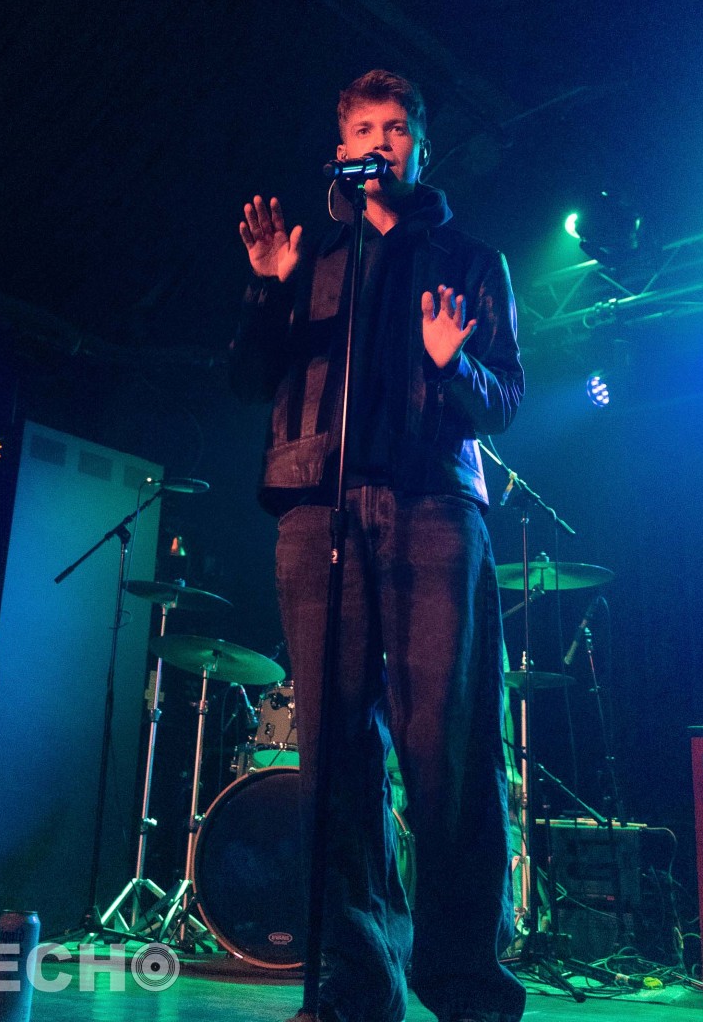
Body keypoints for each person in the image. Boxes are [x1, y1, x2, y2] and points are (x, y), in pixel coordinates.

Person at [229, 70, 526, 1022]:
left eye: (397, 128)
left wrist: (454, 363)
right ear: (342, 148)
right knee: (333, 758)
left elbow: (505, 402)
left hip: (434, 506)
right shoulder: (313, 255)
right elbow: (248, 379)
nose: (380, 142)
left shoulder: (470, 260)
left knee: (448, 751)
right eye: (364, 129)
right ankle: (357, 983)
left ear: (420, 149)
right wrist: (268, 288)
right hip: (319, 509)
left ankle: (466, 986)